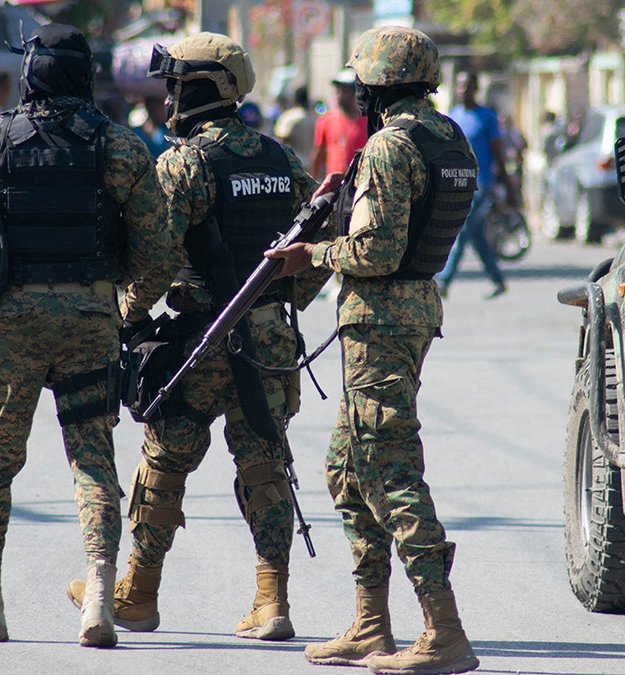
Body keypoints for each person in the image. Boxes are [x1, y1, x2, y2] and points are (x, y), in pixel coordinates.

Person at [63, 31, 331, 643]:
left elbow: (155, 259)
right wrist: (277, 307)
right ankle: (272, 602)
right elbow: (317, 249)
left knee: (163, 461)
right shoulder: (279, 158)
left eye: (175, 86)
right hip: (269, 344)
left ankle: (138, 594)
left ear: (201, 89)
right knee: (265, 464)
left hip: (200, 341)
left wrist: (127, 315)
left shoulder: (185, 163)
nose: (167, 101)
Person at [0, 23, 172, 648]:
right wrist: (123, 303)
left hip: (10, 327)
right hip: (91, 323)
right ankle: (100, 602)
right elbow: (159, 254)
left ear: (30, 75)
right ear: (87, 76)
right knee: (93, 461)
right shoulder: (121, 147)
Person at [264, 26, 481, 675]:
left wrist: (310, 254)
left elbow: (375, 251)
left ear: (374, 85)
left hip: (382, 320)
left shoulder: (391, 145)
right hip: (409, 311)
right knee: (347, 468)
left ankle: (444, 629)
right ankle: (371, 624)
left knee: (390, 471)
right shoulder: (448, 137)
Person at [434, 71, 516, 299]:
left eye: (467, 86)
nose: (462, 91)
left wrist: (508, 184)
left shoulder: (487, 117)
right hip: (457, 183)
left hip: (481, 184)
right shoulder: (454, 115)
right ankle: (498, 280)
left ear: (475, 89)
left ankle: (444, 280)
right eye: (459, 86)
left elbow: (497, 152)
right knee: (477, 236)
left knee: (462, 229)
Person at [310, 68, 368, 180]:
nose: (341, 95)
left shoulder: (367, 121)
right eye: (339, 90)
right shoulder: (326, 120)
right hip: (334, 187)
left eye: (346, 91)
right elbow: (319, 155)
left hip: (358, 184)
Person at [271, 86, 316, 170]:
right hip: (309, 164)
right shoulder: (313, 119)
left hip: (293, 165)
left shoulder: (289, 117)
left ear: (295, 99)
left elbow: (280, 141)